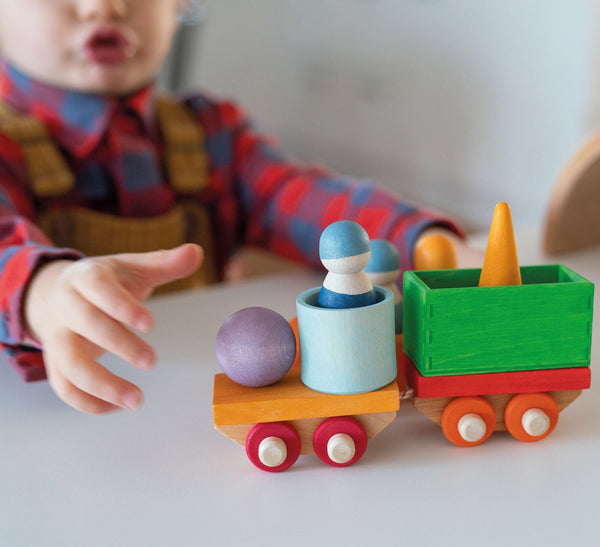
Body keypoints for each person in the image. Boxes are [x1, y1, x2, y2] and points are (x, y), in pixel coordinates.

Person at [0, 0, 469, 414]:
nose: (105, 7)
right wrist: (39, 289)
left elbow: (300, 197)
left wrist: (424, 241)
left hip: (204, 406)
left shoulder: (210, 133)